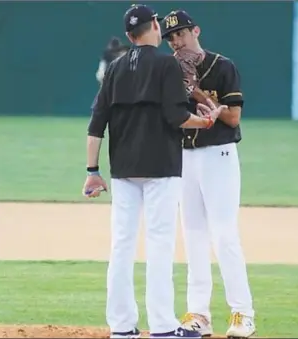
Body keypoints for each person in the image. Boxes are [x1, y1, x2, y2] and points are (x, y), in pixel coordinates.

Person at [82, 4, 227, 339]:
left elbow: (96, 124)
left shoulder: (115, 68)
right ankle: (162, 326)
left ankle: (121, 327)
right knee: (159, 242)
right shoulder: (166, 65)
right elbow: (177, 116)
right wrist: (204, 121)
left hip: (122, 169)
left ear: (131, 35)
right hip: (161, 166)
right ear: (154, 30)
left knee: (121, 244)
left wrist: (92, 170)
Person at [161, 10, 256, 339]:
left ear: (196, 31)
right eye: (171, 38)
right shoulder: (170, 71)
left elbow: (232, 118)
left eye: (181, 34)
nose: (176, 41)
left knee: (224, 235)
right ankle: (198, 314)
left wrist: (196, 90)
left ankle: (243, 313)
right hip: (185, 158)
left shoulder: (222, 66)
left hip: (219, 156)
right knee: (193, 237)